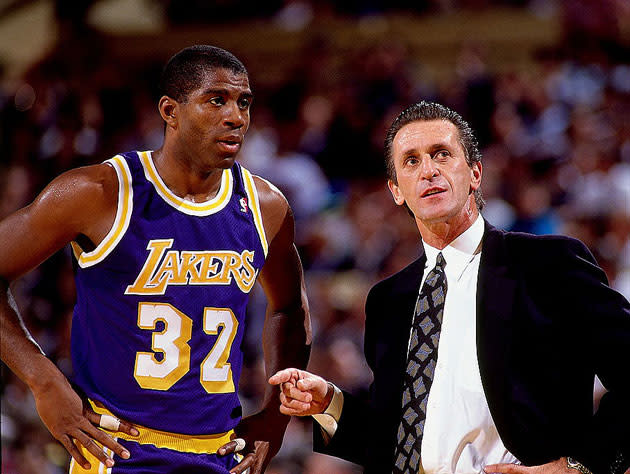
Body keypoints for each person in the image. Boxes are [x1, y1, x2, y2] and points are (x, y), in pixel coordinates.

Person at [270, 101, 630, 474]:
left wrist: (577, 466)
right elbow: (396, 443)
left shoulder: (547, 264)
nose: (428, 170)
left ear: (475, 173)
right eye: (411, 161)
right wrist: (329, 402)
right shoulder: (388, 300)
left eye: (441, 154)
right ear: (396, 190)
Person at [0, 45, 311, 474]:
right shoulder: (99, 192)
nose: (236, 116)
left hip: (220, 455)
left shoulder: (266, 205)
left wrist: (276, 415)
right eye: (216, 99)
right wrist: (43, 379)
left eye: (244, 102)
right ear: (170, 110)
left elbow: (290, 308)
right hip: (117, 450)